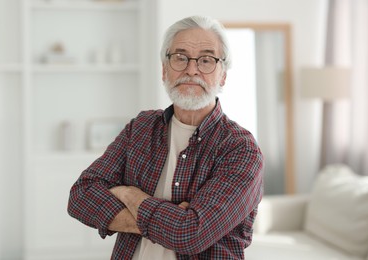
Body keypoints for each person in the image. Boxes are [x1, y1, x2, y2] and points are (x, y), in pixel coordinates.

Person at [68, 15, 263, 260]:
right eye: (180, 58)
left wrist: (131, 196)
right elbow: (81, 195)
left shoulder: (241, 149)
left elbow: (191, 235)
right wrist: (170, 221)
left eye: (206, 60)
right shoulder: (141, 127)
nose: (191, 69)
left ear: (222, 75)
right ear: (164, 70)